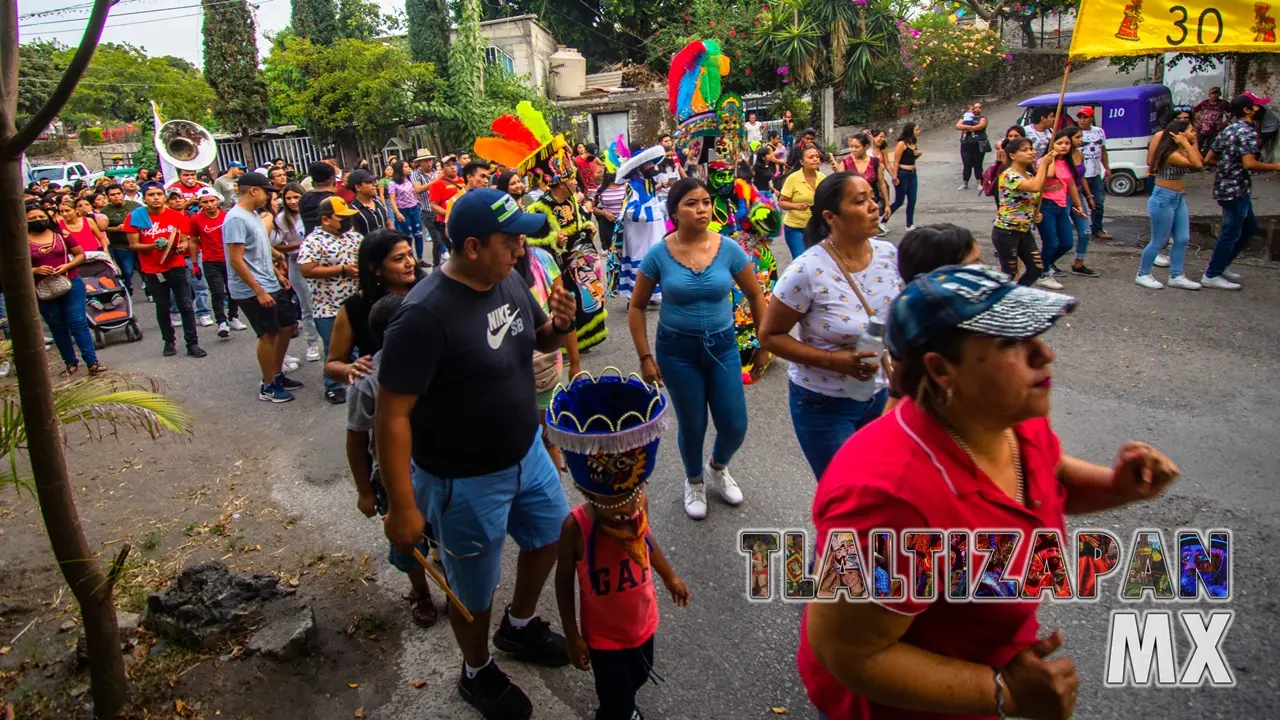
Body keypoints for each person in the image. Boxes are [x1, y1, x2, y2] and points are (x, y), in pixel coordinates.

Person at [798, 264, 1181, 720]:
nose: (1045, 355)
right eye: (1010, 343)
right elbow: (851, 653)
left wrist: (1118, 487)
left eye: (1035, 335)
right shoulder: (889, 498)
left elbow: (1045, 480)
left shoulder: (1015, 416)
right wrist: (1003, 691)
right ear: (941, 370)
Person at [377, 189, 579, 719]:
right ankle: (476, 669)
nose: (520, 249)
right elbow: (391, 416)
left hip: (528, 454)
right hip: (462, 479)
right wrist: (402, 507)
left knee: (552, 537)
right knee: (473, 588)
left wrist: (560, 325)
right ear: (471, 246)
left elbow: (539, 341)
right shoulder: (422, 315)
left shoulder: (508, 278)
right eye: (510, 240)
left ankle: (520, 626)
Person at [627, 177, 767, 519]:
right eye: (691, 203)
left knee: (734, 423)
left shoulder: (728, 248)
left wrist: (764, 342)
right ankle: (694, 481)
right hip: (677, 352)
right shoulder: (658, 254)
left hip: (722, 347)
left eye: (705, 201)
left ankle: (717, 467)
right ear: (674, 211)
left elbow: (755, 294)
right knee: (693, 425)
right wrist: (646, 358)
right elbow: (636, 306)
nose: (701, 209)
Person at [759, 173, 901, 479]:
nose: (873, 207)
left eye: (872, 198)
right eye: (860, 201)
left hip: (882, 397)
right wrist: (834, 360)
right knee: (845, 499)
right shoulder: (806, 270)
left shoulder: (891, 256)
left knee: (882, 492)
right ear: (831, 217)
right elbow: (769, 336)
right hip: (823, 404)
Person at [554, 451, 689, 720]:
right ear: (588, 492)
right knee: (616, 696)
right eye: (613, 502)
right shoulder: (575, 528)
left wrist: (668, 576)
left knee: (640, 673)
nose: (626, 510)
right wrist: (572, 636)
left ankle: (620, 708)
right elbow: (563, 583)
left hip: (642, 623)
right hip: (604, 638)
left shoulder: (638, 507)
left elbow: (647, 541)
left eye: (631, 497)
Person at [343, 290, 439, 627]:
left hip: (439, 470)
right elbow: (356, 438)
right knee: (408, 542)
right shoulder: (367, 380)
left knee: (441, 529)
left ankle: (451, 572)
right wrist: (365, 492)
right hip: (395, 478)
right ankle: (421, 591)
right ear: (391, 334)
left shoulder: (438, 359)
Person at [225, 172, 302, 402]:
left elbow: (259, 248)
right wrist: (258, 290)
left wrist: (278, 270)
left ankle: (277, 373)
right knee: (267, 334)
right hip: (251, 289)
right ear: (253, 190)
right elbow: (236, 260)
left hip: (269, 281)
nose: (270, 196)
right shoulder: (236, 219)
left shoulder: (254, 216)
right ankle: (268, 385)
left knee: (287, 324)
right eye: (266, 192)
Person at [1201, 94, 1280, 290]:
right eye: (1256, 106)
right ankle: (1212, 274)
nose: (1260, 109)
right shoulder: (1247, 132)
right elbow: (1249, 163)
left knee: (1249, 228)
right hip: (1234, 189)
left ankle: (1222, 264)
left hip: (1231, 186)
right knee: (1231, 232)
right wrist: (1277, 166)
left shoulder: (1229, 129)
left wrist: (1228, 165)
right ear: (1247, 110)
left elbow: (1209, 158)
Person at [516, 236, 581, 471]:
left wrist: (575, 363)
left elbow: (562, 317)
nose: (519, 238)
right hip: (506, 381)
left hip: (544, 369)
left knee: (549, 438)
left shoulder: (541, 260)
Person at [124, 183, 207, 358]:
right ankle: (168, 341)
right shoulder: (135, 217)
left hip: (176, 266)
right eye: (151, 194)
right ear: (144, 198)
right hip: (151, 270)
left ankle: (192, 343)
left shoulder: (177, 216)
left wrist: (179, 247)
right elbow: (133, 245)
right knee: (162, 307)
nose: (155, 197)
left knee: (185, 305)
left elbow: (186, 240)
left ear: (164, 197)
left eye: (159, 194)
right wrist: (154, 246)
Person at [27, 203, 105, 376]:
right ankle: (70, 362)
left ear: (48, 217)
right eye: (32, 218)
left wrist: (67, 266)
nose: (37, 220)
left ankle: (92, 362)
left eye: (41, 217)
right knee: (56, 325)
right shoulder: (20, 241)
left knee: (77, 321)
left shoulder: (61, 234)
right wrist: (35, 270)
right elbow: (14, 265)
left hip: (70, 282)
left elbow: (80, 254)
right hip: (42, 288)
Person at [299, 197, 363, 404]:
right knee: (335, 347)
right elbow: (307, 269)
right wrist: (342, 270)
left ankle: (359, 380)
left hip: (354, 302)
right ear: (326, 220)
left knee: (358, 344)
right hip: (328, 307)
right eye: (341, 218)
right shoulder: (314, 241)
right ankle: (333, 386)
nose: (346, 222)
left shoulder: (353, 236)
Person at [1135, 120, 1204, 291]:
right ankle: (1143, 274)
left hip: (1178, 198)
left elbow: (1199, 159)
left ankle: (1176, 275)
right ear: (1178, 135)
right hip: (1163, 198)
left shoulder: (1181, 149)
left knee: (1182, 238)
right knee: (1158, 240)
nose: (1194, 133)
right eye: (1191, 131)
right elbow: (1198, 165)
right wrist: (1187, 144)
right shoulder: (1171, 154)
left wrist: (1191, 143)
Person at [992, 138, 1053, 287]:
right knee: (1010, 273)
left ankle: (1015, 295)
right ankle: (994, 299)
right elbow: (1034, 187)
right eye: (1024, 150)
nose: (1031, 152)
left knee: (1036, 269)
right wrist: (1044, 164)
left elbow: (1032, 200)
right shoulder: (1008, 175)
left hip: (1024, 231)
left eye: (1031, 148)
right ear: (1012, 155)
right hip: (1006, 231)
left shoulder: (1030, 175)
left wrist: (1036, 214)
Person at [272, 182, 321, 361]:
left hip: (319, 262)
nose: (293, 201)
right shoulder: (281, 219)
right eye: (289, 198)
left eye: (296, 197)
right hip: (296, 262)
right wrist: (302, 245)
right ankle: (312, 343)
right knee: (307, 305)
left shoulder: (314, 214)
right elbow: (276, 245)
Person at [1034, 131, 1089, 290]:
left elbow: (1071, 184)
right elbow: (1049, 175)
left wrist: (1079, 206)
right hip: (1046, 205)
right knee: (1051, 242)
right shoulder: (1045, 161)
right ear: (1052, 145)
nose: (1064, 146)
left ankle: (1043, 264)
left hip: (1062, 205)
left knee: (1066, 242)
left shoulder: (1067, 162)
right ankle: (1043, 274)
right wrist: (1051, 156)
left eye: (1066, 143)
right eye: (1059, 143)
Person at [189, 187, 244, 338]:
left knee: (232, 290)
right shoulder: (195, 220)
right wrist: (194, 264)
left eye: (212, 201)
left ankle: (233, 317)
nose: (209, 204)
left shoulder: (227, 217)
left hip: (229, 259)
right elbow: (193, 241)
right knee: (217, 292)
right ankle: (221, 321)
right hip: (209, 260)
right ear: (200, 203)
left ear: (218, 200)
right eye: (205, 202)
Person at [1058, 127, 1101, 278]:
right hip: (1063, 196)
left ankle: (1079, 263)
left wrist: (1089, 196)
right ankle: (1049, 263)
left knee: (1085, 231)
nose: (1081, 140)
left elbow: (1082, 177)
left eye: (1081, 136)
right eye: (1077, 137)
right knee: (1062, 236)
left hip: (1079, 195)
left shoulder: (1080, 154)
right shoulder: (1061, 157)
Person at [779, 144, 826, 259]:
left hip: (817, 228)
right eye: (811, 157)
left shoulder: (823, 178)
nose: (815, 159)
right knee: (801, 259)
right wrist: (796, 206)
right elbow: (781, 203)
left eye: (817, 157)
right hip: (795, 227)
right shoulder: (793, 179)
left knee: (818, 260)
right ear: (801, 161)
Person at [840, 133, 890, 235]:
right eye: (852, 147)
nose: (853, 150)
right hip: (852, 206)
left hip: (870, 205)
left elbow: (882, 184)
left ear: (866, 147)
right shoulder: (845, 162)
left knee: (869, 235)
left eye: (857, 147)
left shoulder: (875, 163)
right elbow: (839, 185)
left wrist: (887, 204)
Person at [1075, 108, 1112, 242]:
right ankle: (1081, 229)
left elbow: (1103, 151)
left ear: (1091, 118)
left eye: (1085, 117)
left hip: (1095, 174)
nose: (1082, 120)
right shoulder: (1074, 134)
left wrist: (1107, 168)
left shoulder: (1099, 132)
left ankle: (1097, 229)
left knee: (1098, 204)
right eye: (1080, 117)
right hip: (1080, 175)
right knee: (1078, 205)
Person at [101, 184, 142, 297]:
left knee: (144, 270)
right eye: (112, 195)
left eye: (118, 194)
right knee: (127, 271)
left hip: (139, 243)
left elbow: (146, 220)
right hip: (120, 245)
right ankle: (127, 290)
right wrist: (116, 229)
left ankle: (150, 292)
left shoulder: (135, 206)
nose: (116, 197)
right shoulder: (105, 211)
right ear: (108, 197)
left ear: (123, 194)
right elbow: (102, 228)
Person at [426, 154, 464, 266]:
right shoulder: (437, 184)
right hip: (446, 224)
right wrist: (450, 214)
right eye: (448, 165)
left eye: (454, 164)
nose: (452, 167)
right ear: (442, 169)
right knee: (455, 253)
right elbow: (433, 206)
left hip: (463, 222)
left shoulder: (463, 181)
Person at [387, 160, 425, 259]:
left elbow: (415, 193)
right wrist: (397, 213)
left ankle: (420, 258)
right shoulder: (393, 183)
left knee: (418, 234)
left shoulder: (410, 180)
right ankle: (409, 258)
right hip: (403, 211)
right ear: (400, 169)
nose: (408, 169)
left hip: (414, 209)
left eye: (408, 167)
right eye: (406, 167)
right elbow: (392, 199)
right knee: (407, 236)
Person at [887, 123, 921, 231]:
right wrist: (894, 177)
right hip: (903, 174)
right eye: (916, 129)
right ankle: (883, 221)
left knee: (912, 200)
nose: (918, 131)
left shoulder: (914, 142)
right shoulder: (902, 144)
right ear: (910, 131)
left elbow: (911, 158)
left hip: (912, 174)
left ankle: (909, 224)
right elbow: (896, 161)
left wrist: (917, 155)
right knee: (899, 201)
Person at [349, 169, 392, 237]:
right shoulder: (352, 210)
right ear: (358, 187)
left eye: (374, 181)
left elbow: (388, 223)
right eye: (369, 182)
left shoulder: (378, 202)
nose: (374, 184)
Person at [299, 161, 339, 236]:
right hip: (333, 243)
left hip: (310, 242)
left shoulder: (303, 198)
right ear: (333, 179)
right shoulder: (334, 201)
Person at [956, 102, 989, 191]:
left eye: (979, 108)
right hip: (966, 144)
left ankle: (979, 182)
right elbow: (958, 126)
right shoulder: (965, 117)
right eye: (975, 108)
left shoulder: (983, 118)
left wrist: (966, 128)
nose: (977, 109)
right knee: (966, 164)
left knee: (977, 164)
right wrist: (968, 127)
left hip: (978, 144)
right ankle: (965, 183)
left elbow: (980, 126)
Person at [1193, 87, 1230, 153]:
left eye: (1216, 93)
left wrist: (1225, 123)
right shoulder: (1204, 103)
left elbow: (1232, 113)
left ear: (1220, 94)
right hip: (1202, 129)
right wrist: (1195, 122)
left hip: (1214, 130)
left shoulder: (1223, 103)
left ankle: (1206, 161)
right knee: (1197, 146)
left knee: (1210, 148)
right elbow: (1194, 110)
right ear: (1209, 94)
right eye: (1213, 93)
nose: (1214, 95)